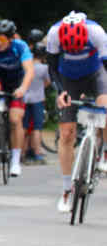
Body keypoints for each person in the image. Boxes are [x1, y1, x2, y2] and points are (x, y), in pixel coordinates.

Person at [45, 12, 107, 212]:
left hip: (96, 73)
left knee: (105, 105)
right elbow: (52, 68)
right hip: (68, 78)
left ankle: (104, 154)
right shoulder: (54, 33)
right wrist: (60, 91)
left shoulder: (96, 32)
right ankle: (66, 190)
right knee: (66, 133)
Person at [0, 19, 35, 178]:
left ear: (10, 38)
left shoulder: (20, 47)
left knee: (16, 120)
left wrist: (23, 88)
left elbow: (29, 71)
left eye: (2, 39)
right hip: (0, 79)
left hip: (17, 83)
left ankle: (15, 160)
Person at [22, 45, 50, 164]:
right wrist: (40, 88)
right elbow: (48, 81)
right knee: (37, 128)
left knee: (24, 127)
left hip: (24, 98)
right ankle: (37, 152)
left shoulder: (25, 66)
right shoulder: (44, 68)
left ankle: (22, 152)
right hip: (38, 99)